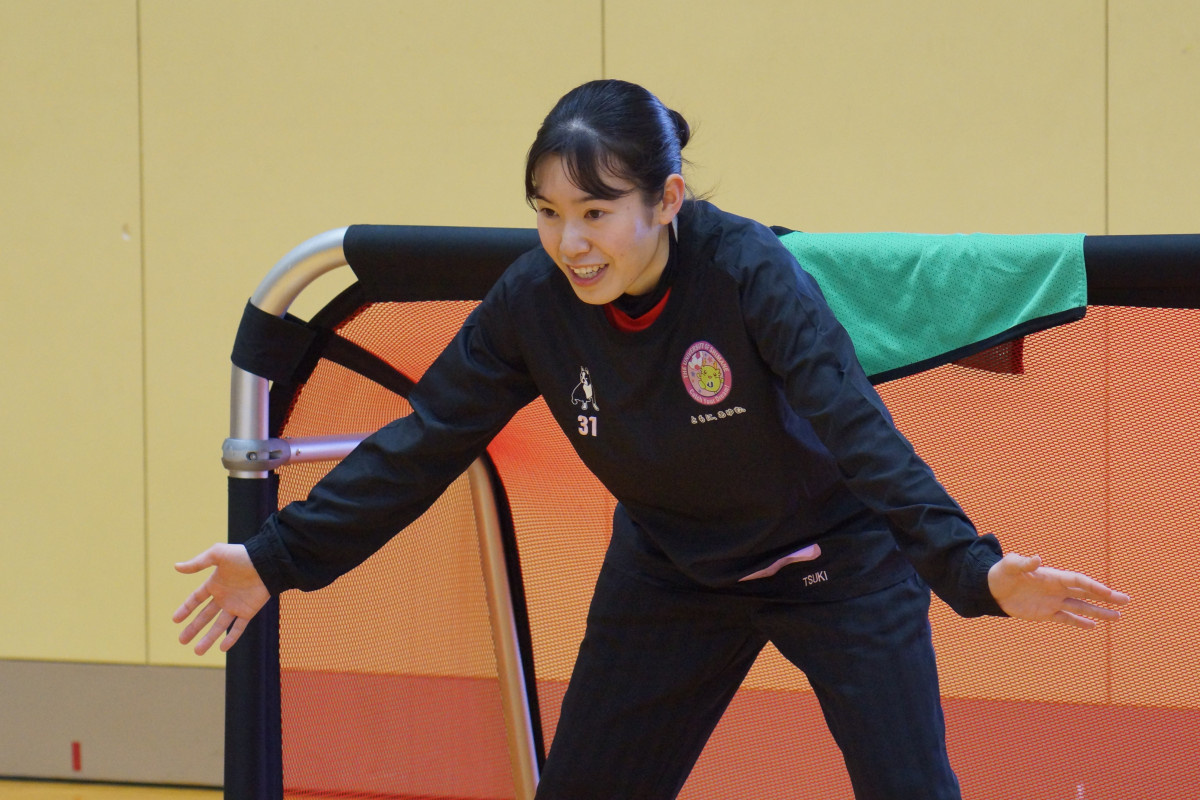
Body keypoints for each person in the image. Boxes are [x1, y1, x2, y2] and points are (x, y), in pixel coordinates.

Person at [174, 79, 1130, 799]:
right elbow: (426, 439)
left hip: (836, 564)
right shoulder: (532, 303)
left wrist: (974, 569)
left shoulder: (748, 272)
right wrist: (277, 556)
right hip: (673, 572)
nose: (571, 243)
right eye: (548, 214)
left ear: (667, 200)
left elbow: (857, 428)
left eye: (596, 213)